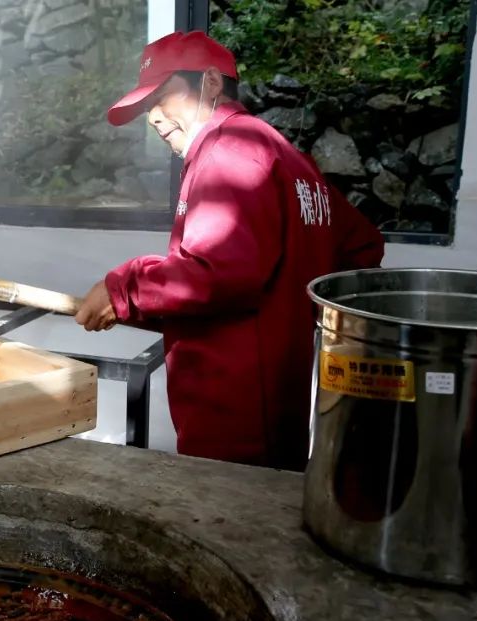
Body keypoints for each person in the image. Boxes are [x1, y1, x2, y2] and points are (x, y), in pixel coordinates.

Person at [75, 31, 384, 472]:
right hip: (286, 403)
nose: (154, 117)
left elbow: (216, 271)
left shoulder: (227, 150)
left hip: (235, 414)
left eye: (163, 96)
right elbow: (362, 247)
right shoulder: (286, 156)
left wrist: (123, 288)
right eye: (147, 107)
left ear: (212, 83)